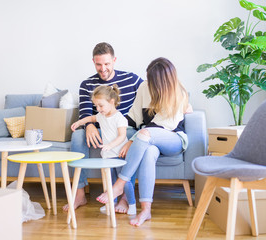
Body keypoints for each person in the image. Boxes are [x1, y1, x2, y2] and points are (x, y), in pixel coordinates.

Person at [96, 57, 192, 226]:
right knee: (148, 152)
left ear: (163, 81)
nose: (149, 83)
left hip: (173, 139)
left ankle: (120, 184)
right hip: (148, 142)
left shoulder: (178, 92)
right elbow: (134, 118)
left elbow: (159, 127)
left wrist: (132, 141)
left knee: (146, 133)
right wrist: (108, 121)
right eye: (149, 78)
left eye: (153, 81)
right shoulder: (144, 87)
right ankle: (146, 210)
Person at [66, 42, 143, 211]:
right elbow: (86, 113)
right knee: (78, 136)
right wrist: (89, 126)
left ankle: (124, 197)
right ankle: (79, 194)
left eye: (107, 64)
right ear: (93, 62)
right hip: (101, 126)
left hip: (125, 128)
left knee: (133, 137)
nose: (103, 69)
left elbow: (153, 92)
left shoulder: (131, 79)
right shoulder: (87, 84)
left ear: (114, 60)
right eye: (99, 64)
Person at [70, 84, 137, 215]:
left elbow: (122, 136)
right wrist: (79, 123)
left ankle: (132, 204)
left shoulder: (120, 118)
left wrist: (110, 146)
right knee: (109, 181)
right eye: (96, 106)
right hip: (107, 156)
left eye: (100, 105)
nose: (98, 109)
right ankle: (111, 203)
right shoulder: (101, 116)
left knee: (125, 181)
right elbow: (91, 118)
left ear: (112, 102)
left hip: (119, 155)